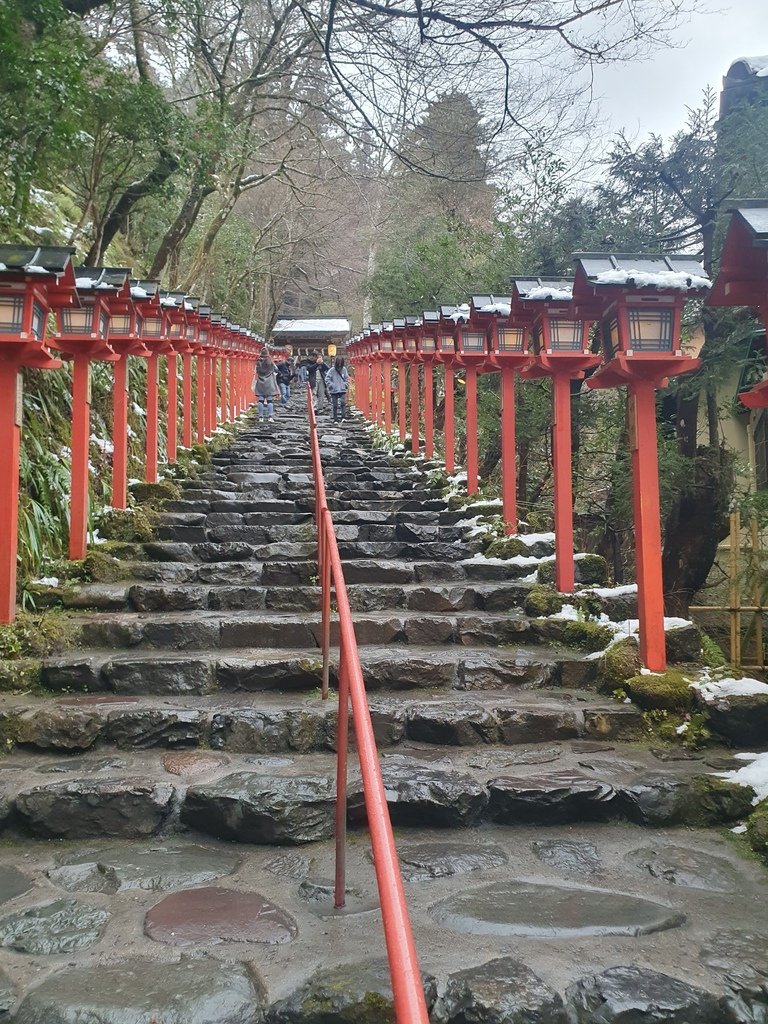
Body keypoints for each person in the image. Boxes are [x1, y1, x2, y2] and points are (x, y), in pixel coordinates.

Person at [254, 351, 280, 422]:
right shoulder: (270, 362)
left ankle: (260, 417)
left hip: (260, 383)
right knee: (269, 401)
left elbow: (255, 371)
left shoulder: (258, 362)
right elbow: (276, 370)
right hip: (269, 383)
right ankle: (270, 417)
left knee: (261, 400)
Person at [324, 356, 350, 423]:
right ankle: (335, 418)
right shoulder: (332, 370)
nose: (339, 365)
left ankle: (343, 417)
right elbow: (327, 378)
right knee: (335, 405)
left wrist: (345, 385)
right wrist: (331, 385)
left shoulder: (344, 369)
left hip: (342, 389)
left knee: (343, 403)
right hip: (334, 390)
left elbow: (347, 378)